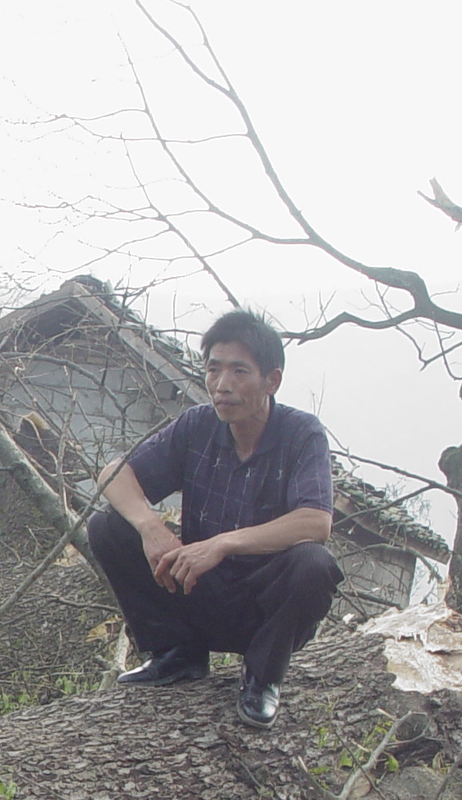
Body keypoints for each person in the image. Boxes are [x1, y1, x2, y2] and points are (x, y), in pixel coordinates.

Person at [86, 310, 342, 728]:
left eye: (239, 371)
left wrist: (222, 544)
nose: (222, 384)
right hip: (196, 589)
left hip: (262, 606)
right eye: (213, 369)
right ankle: (177, 652)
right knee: (108, 526)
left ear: (271, 381)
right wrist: (152, 528)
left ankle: (262, 678)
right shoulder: (198, 425)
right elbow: (114, 475)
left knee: (314, 563)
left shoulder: (301, 433)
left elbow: (316, 522)